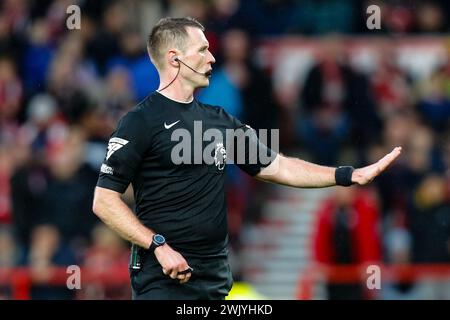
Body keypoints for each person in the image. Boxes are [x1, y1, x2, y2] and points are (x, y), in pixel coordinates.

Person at [92, 17, 402, 300]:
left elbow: (278, 166)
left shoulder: (220, 120)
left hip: (213, 280)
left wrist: (347, 175)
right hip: (162, 280)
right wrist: (157, 245)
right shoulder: (139, 121)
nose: (212, 57)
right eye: (202, 50)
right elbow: (104, 200)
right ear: (175, 58)